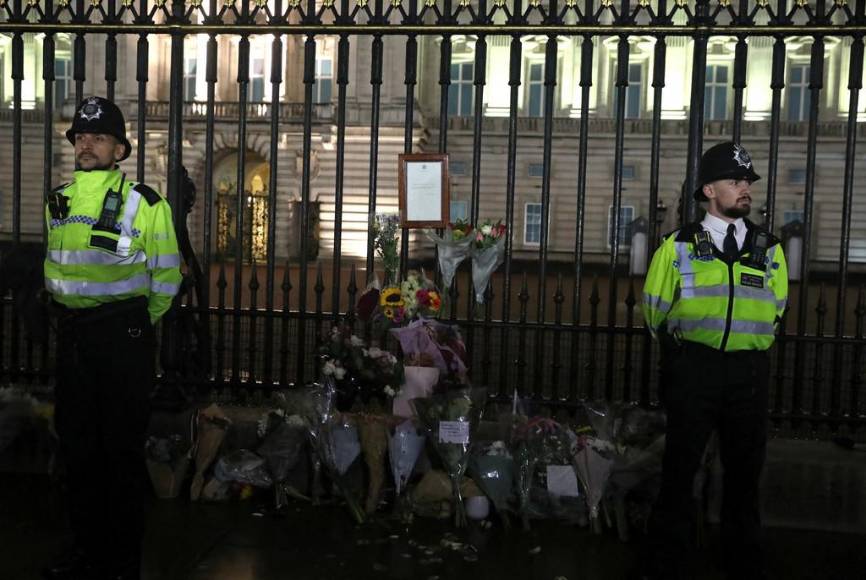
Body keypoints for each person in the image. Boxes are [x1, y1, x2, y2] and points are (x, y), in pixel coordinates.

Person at [42, 96, 182, 580]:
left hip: (122, 335)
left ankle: (121, 562)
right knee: (77, 450)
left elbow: (166, 278)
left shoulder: (146, 203)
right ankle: (84, 549)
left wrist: (136, 324)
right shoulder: (58, 200)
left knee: (120, 452)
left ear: (119, 150)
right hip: (73, 336)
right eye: (80, 137)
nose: (86, 144)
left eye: (98, 137)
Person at [641, 141, 789, 580]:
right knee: (679, 469)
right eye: (734, 181)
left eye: (747, 181)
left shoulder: (769, 248)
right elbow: (654, 309)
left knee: (745, 473)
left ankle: (743, 559)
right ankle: (668, 559)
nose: (745, 189)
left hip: (748, 374)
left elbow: (777, 308)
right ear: (708, 190)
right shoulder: (678, 246)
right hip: (694, 369)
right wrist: (681, 355)